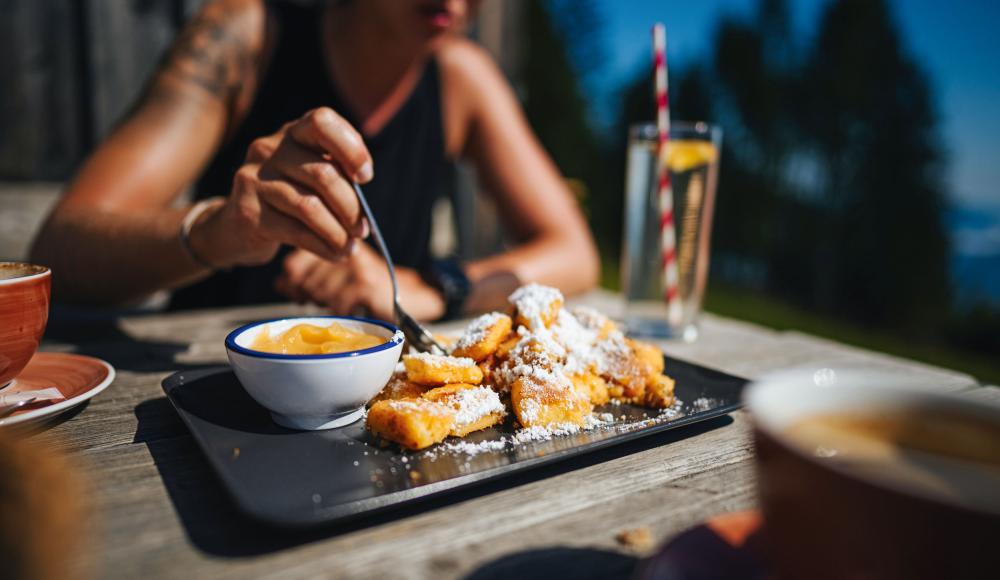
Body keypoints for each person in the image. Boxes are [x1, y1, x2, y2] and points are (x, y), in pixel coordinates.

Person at [29, 0, 599, 321]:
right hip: (211, 401)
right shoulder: (247, 36)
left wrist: (427, 288)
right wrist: (217, 229)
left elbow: (575, 254)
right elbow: (61, 252)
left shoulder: (461, 76)